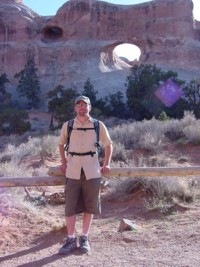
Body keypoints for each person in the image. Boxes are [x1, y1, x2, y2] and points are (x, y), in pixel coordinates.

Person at [58, 95, 113, 255]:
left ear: (90, 107)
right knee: (70, 207)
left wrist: (106, 163)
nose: (82, 108)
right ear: (75, 108)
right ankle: (70, 239)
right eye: (79, 105)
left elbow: (109, 144)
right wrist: (63, 162)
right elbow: (61, 144)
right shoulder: (68, 126)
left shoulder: (98, 125)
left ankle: (84, 238)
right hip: (73, 170)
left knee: (90, 205)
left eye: (85, 105)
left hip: (92, 170)